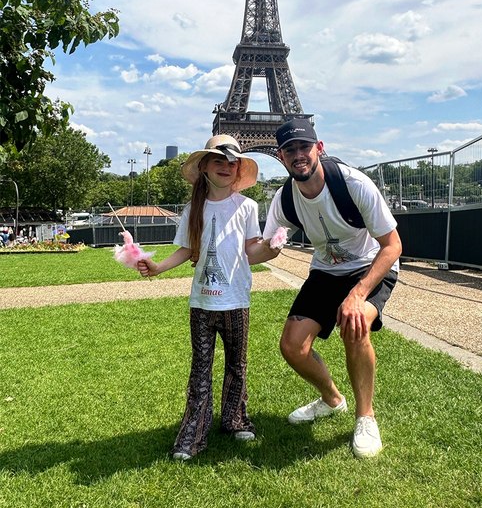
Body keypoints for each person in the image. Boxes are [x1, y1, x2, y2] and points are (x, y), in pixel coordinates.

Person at [249, 117, 403, 458]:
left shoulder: (353, 184)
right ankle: (333, 400)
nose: (298, 155)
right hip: (326, 270)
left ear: (319, 148)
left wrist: (358, 294)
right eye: (290, 150)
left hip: (370, 265)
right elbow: (265, 247)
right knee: (292, 346)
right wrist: (226, 255)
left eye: (304, 147)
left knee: (354, 320)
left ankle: (366, 416)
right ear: (281, 156)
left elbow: (392, 245)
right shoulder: (285, 198)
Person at [137, 134, 263, 461]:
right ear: (204, 166)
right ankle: (194, 429)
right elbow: (187, 250)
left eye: (231, 162)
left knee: (237, 364)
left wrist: (272, 248)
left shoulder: (248, 207)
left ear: (238, 170)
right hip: (202, 304)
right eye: (218, 160)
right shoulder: (193, 208)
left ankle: (235, 419)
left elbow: (252, 250)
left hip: (236, 301)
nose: (225, 166)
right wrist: (158, 267)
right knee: (201, 368)